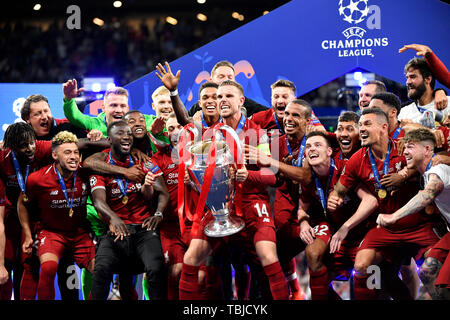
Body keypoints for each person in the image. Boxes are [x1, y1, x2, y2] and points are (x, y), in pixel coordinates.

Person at [178, 80, 289, 300]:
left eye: (228, 96)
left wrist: (251, 175)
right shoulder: (208, 135)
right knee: (190, 259)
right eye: (219, 97)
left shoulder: (257, 133)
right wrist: (194, 180)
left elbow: (272, 176)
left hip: (251, 201)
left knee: (268, 257)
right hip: (219, 205)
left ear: (241, 100)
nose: (222, 101)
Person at [328, 107, 440, 300]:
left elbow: (433, 161)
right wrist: (334, 196)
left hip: (418, 225)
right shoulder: (358, 159)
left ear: (383, 127)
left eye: (367, 124)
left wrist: (404, 175)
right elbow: (339, 189)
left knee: (433, 268)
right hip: (385, 227)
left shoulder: (403, 147)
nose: (361, 128)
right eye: (360, 125)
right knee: (363, 266)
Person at [89, 120, 169, 300]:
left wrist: (158, 213)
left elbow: (163, 192)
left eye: (129, 134)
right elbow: (99, 202)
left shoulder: (144, 163)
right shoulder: (101, 165)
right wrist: (113, 218)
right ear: (109, 139)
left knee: (156, 268)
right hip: (116, 232)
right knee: (100, 269)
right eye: (121, 134)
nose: (126, 137)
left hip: (143, 229)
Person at [17, 131, 95, 300]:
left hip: (79, 233)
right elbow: (22, 204)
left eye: (76, 152)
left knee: (100, 270)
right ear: (54, 155)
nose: (74, 157)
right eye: (67, 152)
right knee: (48, 269)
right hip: (52, 233)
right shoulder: (37, 179)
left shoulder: (85, 173)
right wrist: (28, 235)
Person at [377, 128, 450, 299]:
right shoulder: (426, 174)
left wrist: (393, 216)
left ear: (427, 150)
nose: (405, 152)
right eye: (405, 147)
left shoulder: (438, 170)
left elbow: (426, 196)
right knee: (427, 272)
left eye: (410, 147)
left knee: (442, 281)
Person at [0, 123, 53, 300]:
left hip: (34, 215)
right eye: (23, 146)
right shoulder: (1, 158)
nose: (30, 148)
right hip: (8, 214)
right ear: (11, 146)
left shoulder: (41, 148)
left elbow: (76, 145)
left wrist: (97, 137)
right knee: (5, 261)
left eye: (31, 143)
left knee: (29, 261)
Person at [62, 79, 169, 154]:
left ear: (127, 108)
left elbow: (164, 126)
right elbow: (75, 117)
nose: (118, 110)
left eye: (122, 106)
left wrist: (156, 131)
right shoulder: (95, 123)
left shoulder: (141, 120)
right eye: (113, 105)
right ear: (103, 108)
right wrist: (68, 99)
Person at [187, 61, 268, 117]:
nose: (226, 80)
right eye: (221, 76)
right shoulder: (199, 107)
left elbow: (270, 115)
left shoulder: (247, 105)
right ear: (211, 80)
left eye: (230, 77)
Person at [155, 61, 221, 130]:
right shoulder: (197, 122)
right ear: (200, 103)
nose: (210, 101)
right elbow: (183, 120)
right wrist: (173, 90)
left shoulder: (228, 118)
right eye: (205, 98)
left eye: (214, 97)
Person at [251, 79, 324, 140]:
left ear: (294, 100)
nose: (280, 101)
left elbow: (322, 133)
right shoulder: (260, 118)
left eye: (285, 97)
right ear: (271, 99)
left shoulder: (304, 113)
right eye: (276, 97)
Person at [398, 58, 449, 126]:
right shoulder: (403, 112)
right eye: (407, 77)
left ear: (428, 79)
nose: (408, 82)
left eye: (413, 77)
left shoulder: (448, 104)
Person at [21, 94, 87, 140]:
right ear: (27, 119)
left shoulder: (69, 125)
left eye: (46, 111)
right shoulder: (23, 138)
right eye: (38, 114)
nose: (44, 117)